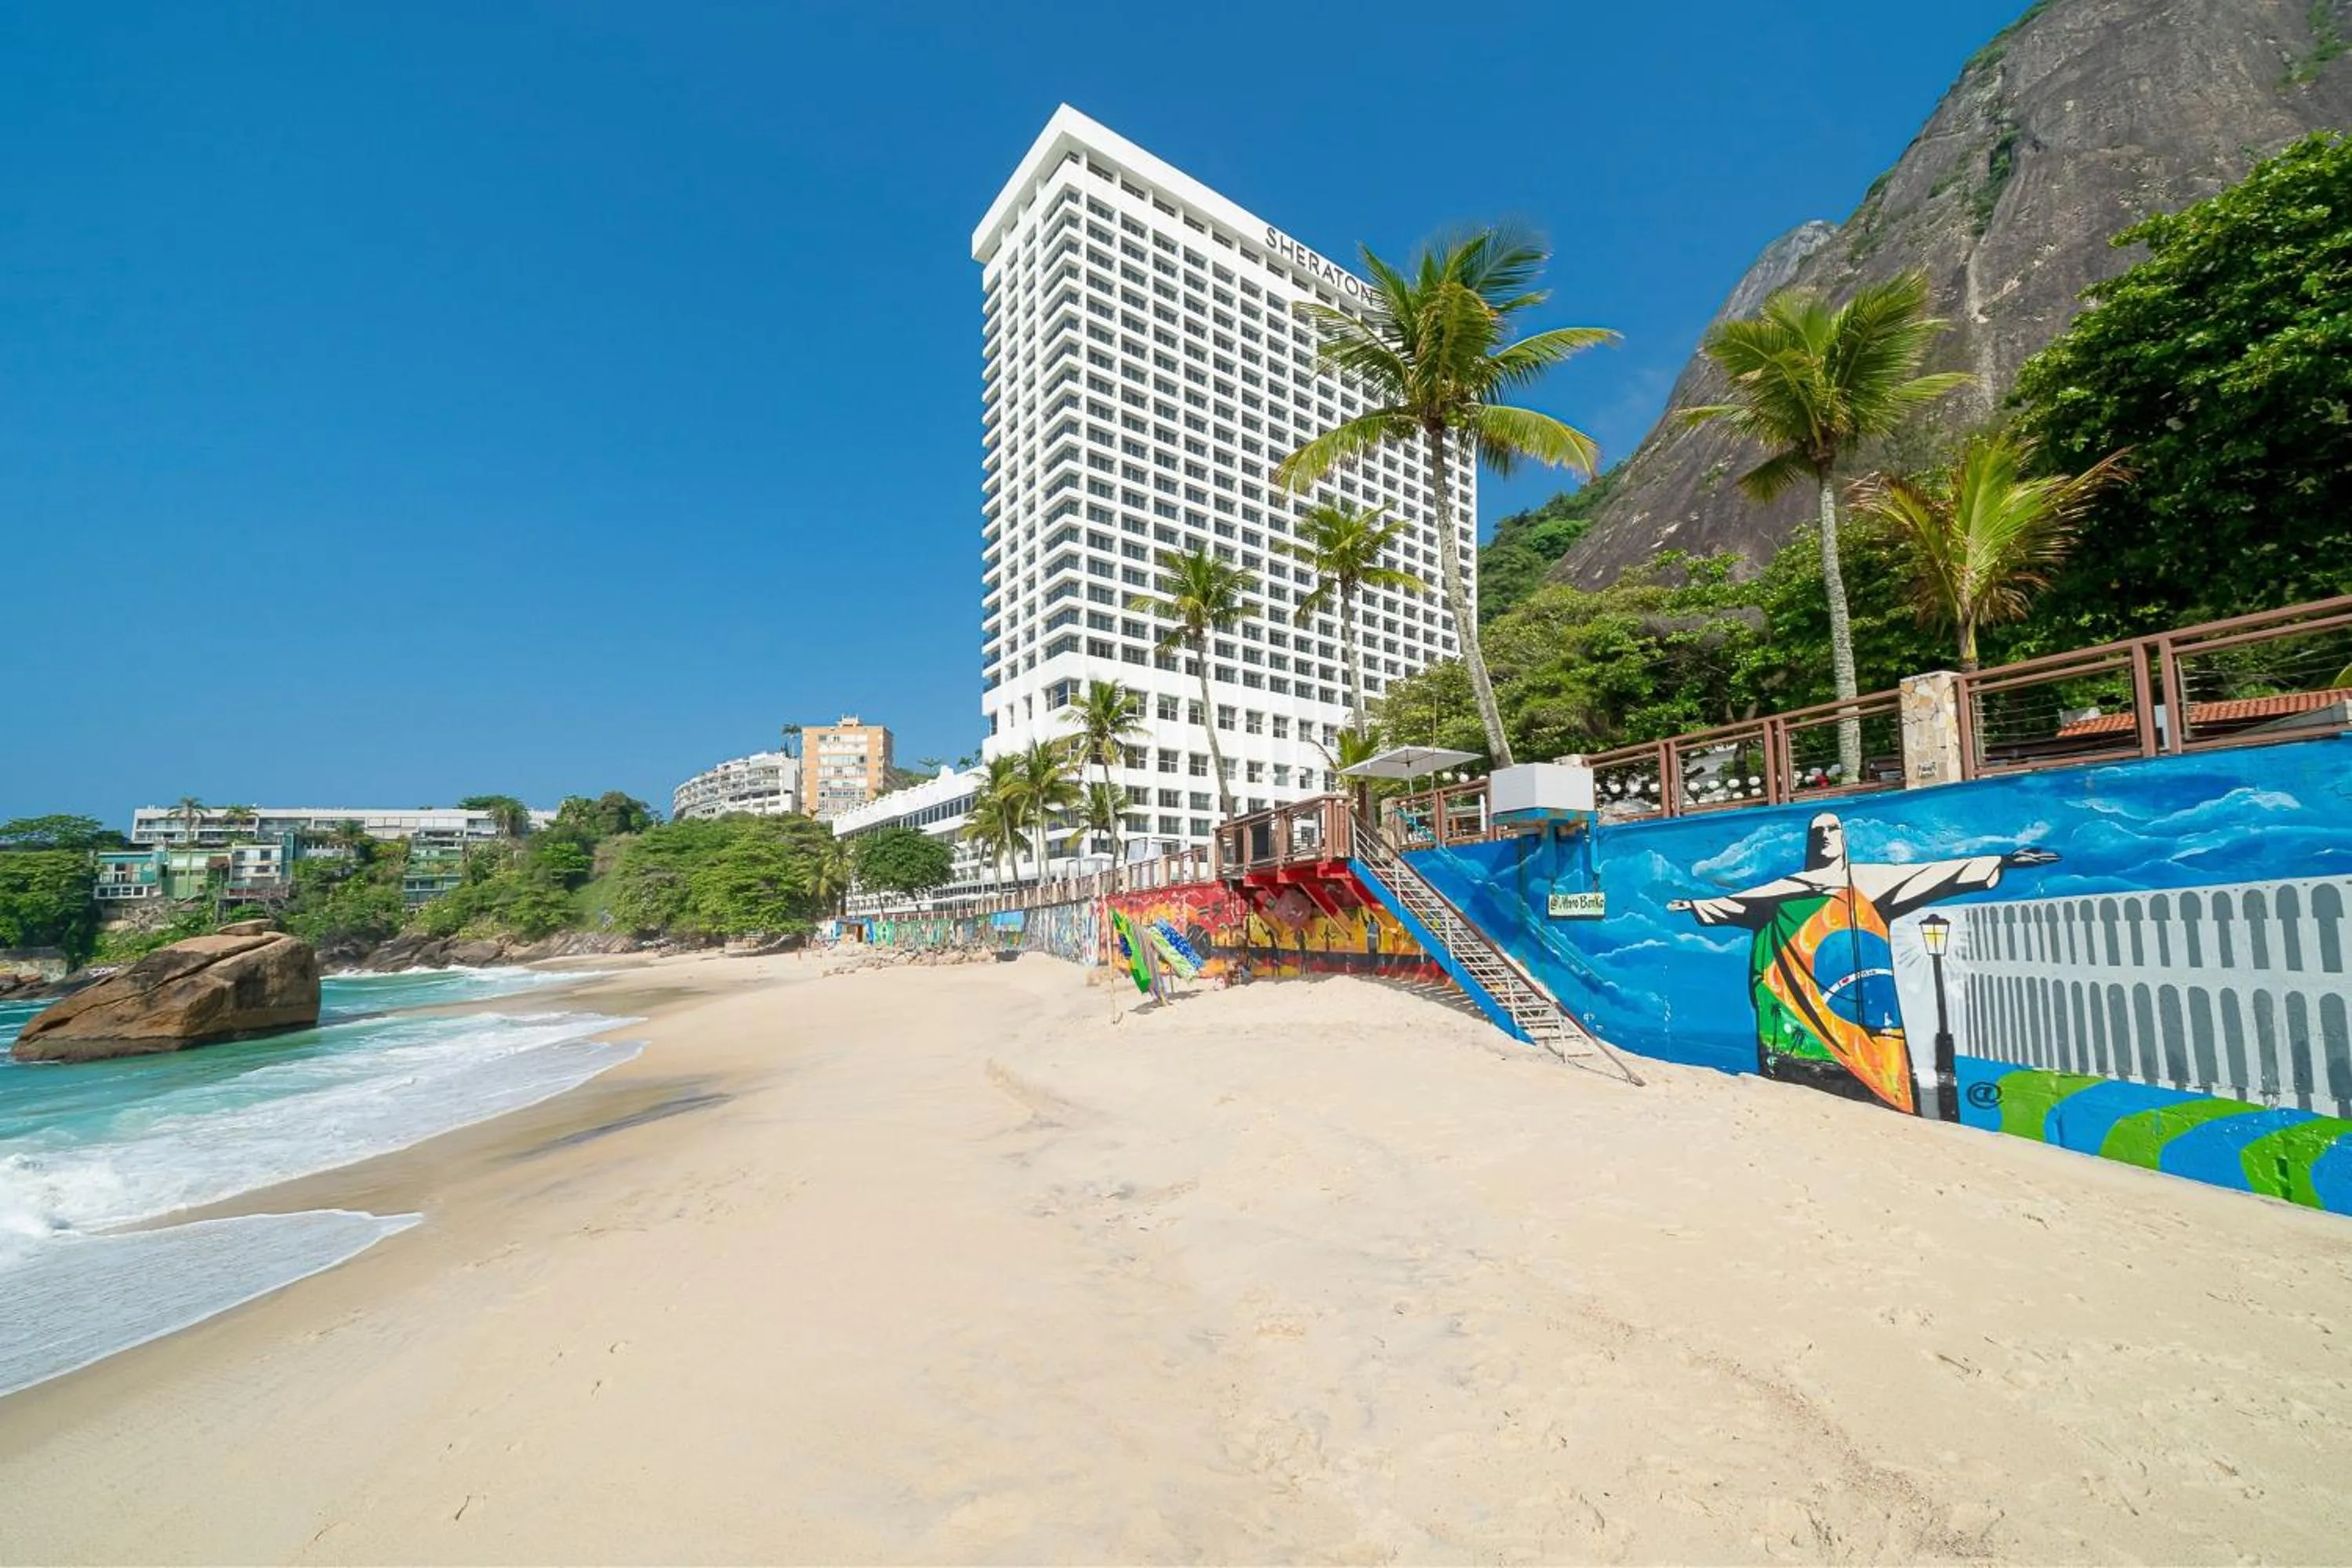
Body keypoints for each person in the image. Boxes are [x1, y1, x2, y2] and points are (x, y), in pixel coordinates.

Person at [1668, 812, 2057, 1112]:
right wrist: (1697, 904)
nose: (1824, 837)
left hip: (1864, 1011)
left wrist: (2003, 861)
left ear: (1843, 838)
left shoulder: (1871, 880)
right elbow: (1743, 902)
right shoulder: (1786, 888)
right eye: (1817, 832)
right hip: (1799, 1013)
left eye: (1832, 830)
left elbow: (1936, 874)